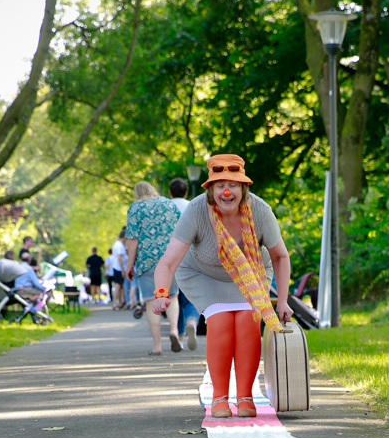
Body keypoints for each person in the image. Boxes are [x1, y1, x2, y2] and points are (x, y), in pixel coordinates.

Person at [152, 153, 291, 418]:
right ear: (211, 189)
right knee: (221, 320)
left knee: (248, 320)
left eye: (234, 185)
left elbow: (280, 256)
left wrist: (282, 301)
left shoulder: (260, 210)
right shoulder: (196, 211)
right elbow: (168, 261)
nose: (226, 192)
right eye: (219, 185)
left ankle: (246, 397)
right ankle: (219, 398)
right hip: (202, 274)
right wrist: (161, 293)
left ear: (243, 188)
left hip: (250, 272)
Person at [124, 181, 184, 355]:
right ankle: (174, 330)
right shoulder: (169, 204)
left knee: (152, 302)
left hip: (146, 260)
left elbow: (132, 239)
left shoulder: (135, 208)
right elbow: (181, 230)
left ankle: (157, 346)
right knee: (172, 297)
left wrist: (130, 264)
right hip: (170, 258)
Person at [168, 178, 199, 345]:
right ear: (186, 192)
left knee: (174, 298)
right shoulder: (193, 206)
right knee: (191, 297)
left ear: (170, 192)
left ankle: (179, 336)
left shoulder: (165, 208)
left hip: (171, 257)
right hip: (191, 257)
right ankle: (192, 322)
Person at [110, 229, 127, 309]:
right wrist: (122, 270)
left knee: (120, 286)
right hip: (118, 268)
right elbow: (119, 258)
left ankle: (120, 302)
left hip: (116, 267)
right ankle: (115, 303)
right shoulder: (119, 245)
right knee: (117, 286)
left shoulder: (116, 244)